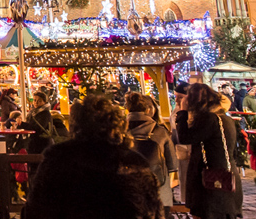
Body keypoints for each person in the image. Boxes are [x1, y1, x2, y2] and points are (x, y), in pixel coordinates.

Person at [23, 94, 164, 219]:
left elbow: (37, 209)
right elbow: (153, 210)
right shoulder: (133, 163)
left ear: (76, 125)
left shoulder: (59, 159)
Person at [174, 83, 242, 219]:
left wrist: (182, 112)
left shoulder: (210, 119)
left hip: (212, 182)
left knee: (208, 214)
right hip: (224, 176)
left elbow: (185, 137)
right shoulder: (224, 118)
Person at [126, 92, 177, 215]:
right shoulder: (159, 131)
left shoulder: (119, 130)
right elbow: (173, 164)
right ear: (148, 109)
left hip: (129, 189)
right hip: (159, 190)